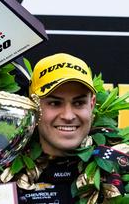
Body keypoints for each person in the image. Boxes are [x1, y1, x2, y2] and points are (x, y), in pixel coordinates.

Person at [16, 53, 98, 203]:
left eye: (78, 103)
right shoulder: (1, 180)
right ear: (33, 106)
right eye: (55, 103)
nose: (68, 116)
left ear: (92, 104)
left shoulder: (119, 168)